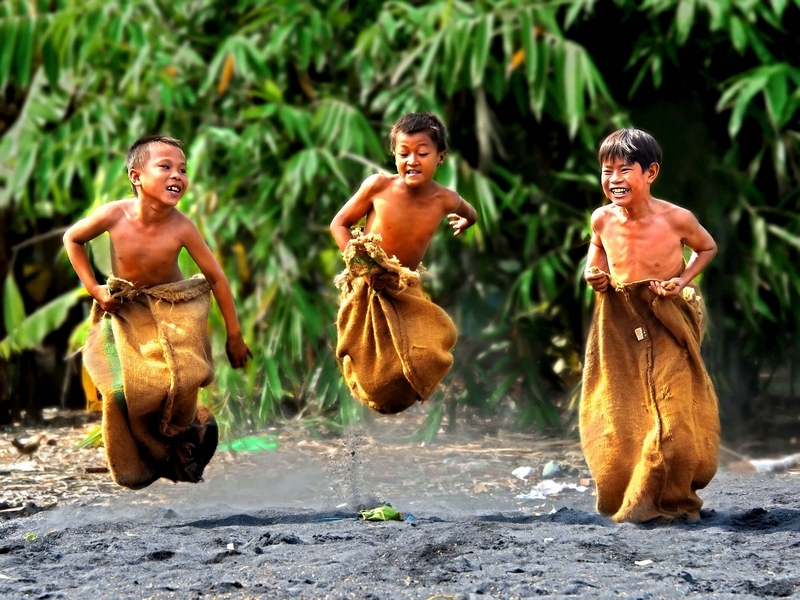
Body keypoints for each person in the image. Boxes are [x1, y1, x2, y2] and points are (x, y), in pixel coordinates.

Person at [63, 135, 251, 489]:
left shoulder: (182, 226)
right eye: (165, 166)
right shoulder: (113, 214)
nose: (177, 175)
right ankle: (143, 457)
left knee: (177, 381)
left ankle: (190, 436)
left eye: (182, 169)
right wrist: (95, 288)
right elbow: (72, 239)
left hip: (173, 310)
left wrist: (235, 336)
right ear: (136, 177)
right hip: (126, 310)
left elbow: (216, 278)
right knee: (122, 389)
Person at [580, 127, 721, 523]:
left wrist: (683, 281)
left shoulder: (676, 218)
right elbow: (597, 253)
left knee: (673, 415)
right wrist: (595, 274)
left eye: (625, 170)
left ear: (651, 173)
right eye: (607, 171)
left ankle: (675, 499)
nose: (614, 180)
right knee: (625, 412)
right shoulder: (602, 219)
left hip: (667, 317)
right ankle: (633, 495)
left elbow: (707, 247)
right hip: (622, 323)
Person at [330, 112, 478, 414]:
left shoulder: (444, 199)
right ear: (394, 156)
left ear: (440, 158)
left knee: (429, 349)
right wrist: (362, 267)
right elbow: (339, 225)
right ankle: (366, 387)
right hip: (368, 284)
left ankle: (412, 389)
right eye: (404, 153)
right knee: (365, 357)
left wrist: (465, 222)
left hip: (403, 285)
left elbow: (471, 212)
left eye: (422, 153)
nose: (412, 160)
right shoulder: (379, 186)